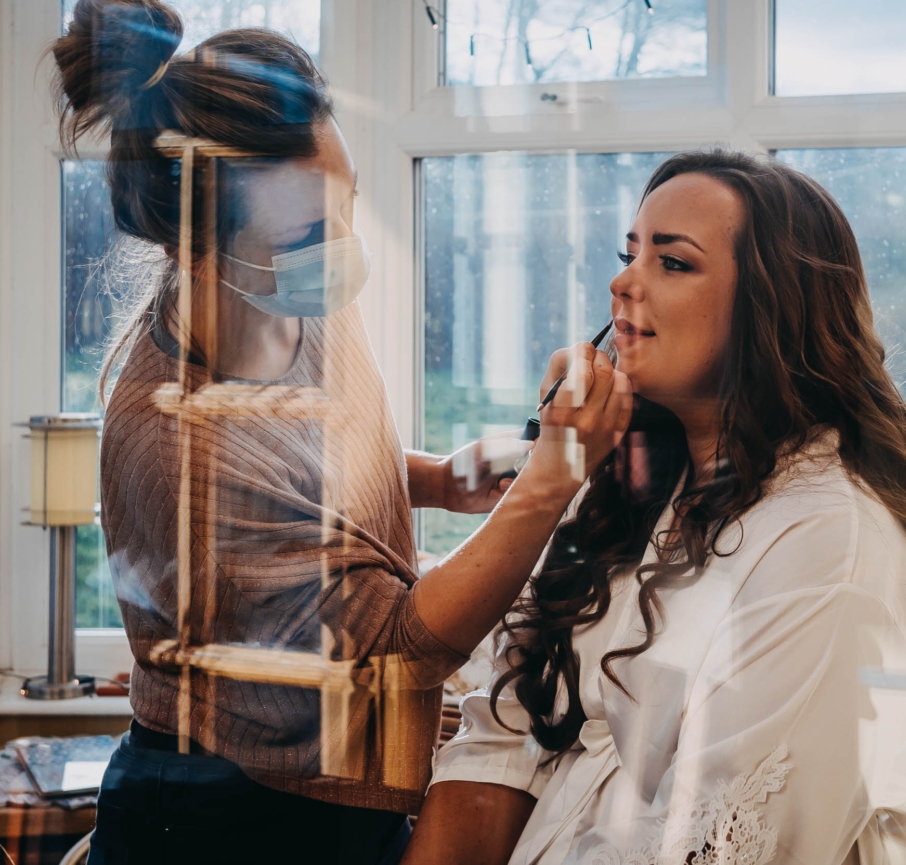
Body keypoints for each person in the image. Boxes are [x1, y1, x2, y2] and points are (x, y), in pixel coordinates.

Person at [50, 2, 631, 864]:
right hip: (230, 816)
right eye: (314, 233)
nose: (347, 246)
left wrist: (432, 478)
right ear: (204, 253)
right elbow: (397, 647)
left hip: (335, 778)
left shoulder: (290, 284)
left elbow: (294, 469)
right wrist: (556, 473)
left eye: (346, 200)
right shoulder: (175, 446)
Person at [403, 150, 906, 865]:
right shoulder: (623, 489)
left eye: (671, 264)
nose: (620, 282)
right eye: (628, 254)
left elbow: (713, 843)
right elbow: (500, 737)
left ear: (772, 306)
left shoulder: (830, 540)